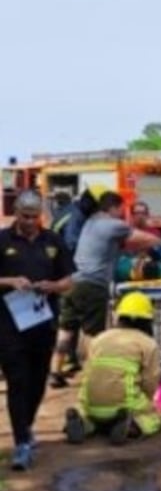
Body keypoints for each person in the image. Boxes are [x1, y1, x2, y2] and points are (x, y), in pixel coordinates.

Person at [50, 192, 161, 387]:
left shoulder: (90, 222)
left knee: (65, 330)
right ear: (114, 208)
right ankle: (92, 377)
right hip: (92, 285)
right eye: (121, 210)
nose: (122, 214)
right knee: (93, 334)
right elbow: (146, 239)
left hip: (72, 281)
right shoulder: (112, 224)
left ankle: (55, 372)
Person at [0, 191, 74, 471]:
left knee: (37, 380)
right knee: (17, 380)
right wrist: (9, 281)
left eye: (34, 217)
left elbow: (69, 280)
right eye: (25, 216)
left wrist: (52, 286)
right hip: (9, 325)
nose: (30, 222)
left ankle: (26, 425)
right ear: (16, 214)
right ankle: (21, 442)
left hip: (43, 323)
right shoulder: (3, 240)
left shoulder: (52, 241)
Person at [63, 291, 161, 444]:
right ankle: (132, 426)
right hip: (125, 404)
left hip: (91, 403)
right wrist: (148, 403)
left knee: (93, 417)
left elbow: (89, 371)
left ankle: (83, 423)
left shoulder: (99, 338)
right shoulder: (148, 343)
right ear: (147, 321)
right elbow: (150, 381)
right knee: (156, 416)